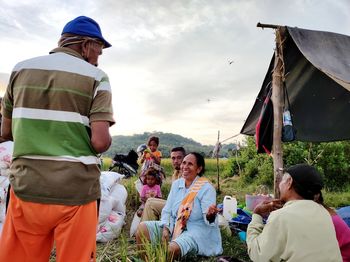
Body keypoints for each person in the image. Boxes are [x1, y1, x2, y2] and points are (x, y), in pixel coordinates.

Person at [0, 16, 114, 262]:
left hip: (26, 189)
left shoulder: (21, 69)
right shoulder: (96, 77)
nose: (98, 57)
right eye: (99, 50)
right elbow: (100, 142)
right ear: (85, 45)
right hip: (76, 194)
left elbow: (5, 132)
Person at [246, 164, 342, 262]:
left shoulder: (281, 216)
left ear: (289, 182)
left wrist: (257, 213)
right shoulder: (324, 213)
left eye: (282, 181)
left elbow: (258, 255)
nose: (279, 185)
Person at [136, 152, 223, 259]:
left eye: (190, 164)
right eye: (184, 163)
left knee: (171, 250)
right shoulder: (177, 184)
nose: (185, 167)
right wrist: (166, 229)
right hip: (174, 226)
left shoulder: (206, 188)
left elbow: (208, 219)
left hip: (195, 231)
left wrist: (210, 215)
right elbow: (167, 210)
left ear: (199, 169)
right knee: (142, 228)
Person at [140, 146, 186, 222]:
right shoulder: (175, 173)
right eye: (173, 158)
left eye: (179, 158)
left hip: (181, 207)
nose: (176, 161)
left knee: (150, 202)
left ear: (185, 159)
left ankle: (147, 230)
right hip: (173, 204)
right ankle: (147, 228)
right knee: (150, 201)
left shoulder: (186, 174)